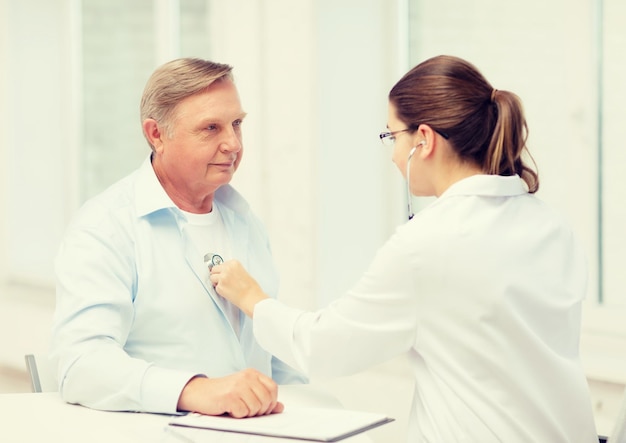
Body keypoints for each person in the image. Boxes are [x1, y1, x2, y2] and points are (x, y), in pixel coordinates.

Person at [209, 55, 598, 441]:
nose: (394, 154)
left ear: (423, 140)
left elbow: (323, 347)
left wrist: (252, 298)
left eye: (392, 136)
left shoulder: (429, 243)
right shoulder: (551, 225)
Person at [50, 58, 305, 418]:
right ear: (156, 135)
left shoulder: (245, 222)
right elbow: (80, 365)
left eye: (236, 124)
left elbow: (275, 359)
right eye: (211, 128)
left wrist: (307, 413)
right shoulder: (105, 228)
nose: (232, 143)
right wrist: (195, 390)